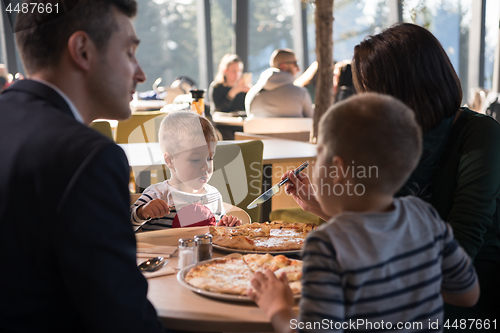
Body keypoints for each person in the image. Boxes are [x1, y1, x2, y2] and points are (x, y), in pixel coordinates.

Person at [283, 23, 500, 324]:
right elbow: (389, 228)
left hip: (462, 294)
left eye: (371, 90)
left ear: (404, 89)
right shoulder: (387, 137)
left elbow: (460, 251)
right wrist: (322, 208)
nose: (366, 101)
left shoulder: (479, 134)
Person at [248, 93, 479, 333]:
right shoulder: (425, 217)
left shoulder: (327, 245)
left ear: (337, 169)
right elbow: (467, 294)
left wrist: (278, 308)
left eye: (318, 156)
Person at [0, 1, 164, 332]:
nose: (141, 73)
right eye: (130, 52)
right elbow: (123, 319)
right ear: (82, 50)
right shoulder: (89, 158)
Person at [131, 111, 242, 231]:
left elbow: (214, 232)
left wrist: (225, 227)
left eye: (210, 158)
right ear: (170, 161)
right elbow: (122, 226)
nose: (206, 166)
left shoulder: (214, 196)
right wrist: (142, 213)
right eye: (195, 160)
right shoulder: (156, 194)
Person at [245, 48, 313, 118]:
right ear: (283, 66)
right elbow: (313, 121)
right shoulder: (301, 93)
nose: (298, 69)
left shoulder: (252, 94)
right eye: (295, 64)